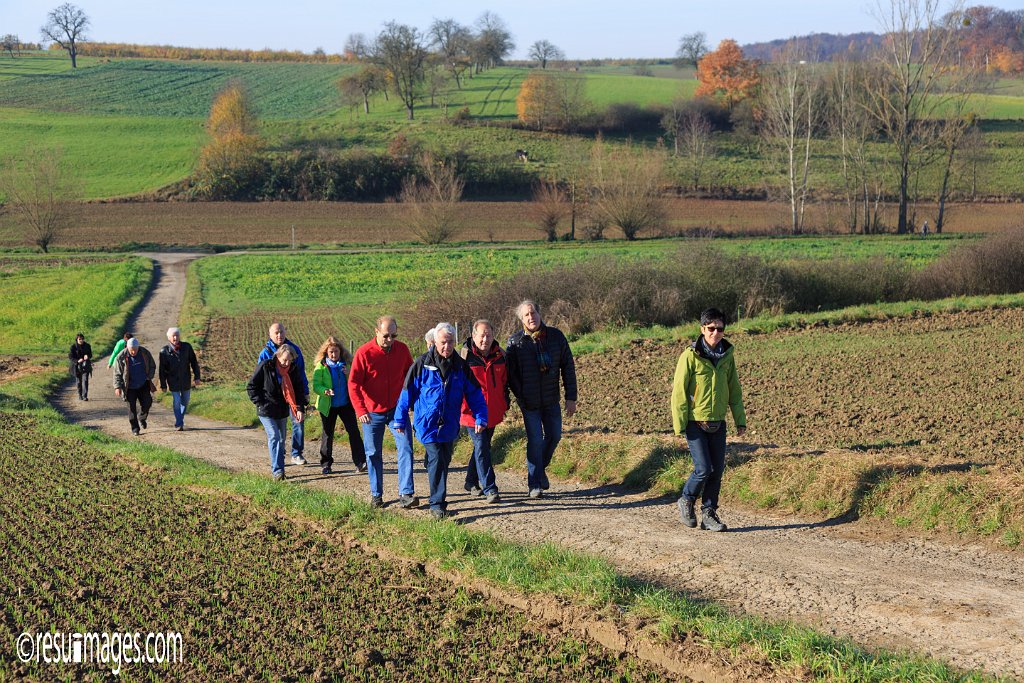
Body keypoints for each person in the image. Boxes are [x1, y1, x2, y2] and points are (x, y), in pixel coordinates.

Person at [395, 323, 487, 520]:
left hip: (449, 424)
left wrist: (481, 416)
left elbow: (475, 394)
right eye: (443, 342)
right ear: (434, 342)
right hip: (426, 424)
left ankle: (432, 470)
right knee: (437, 458)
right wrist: (399, 420)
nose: (447, 346)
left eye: (451, 342)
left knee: (443, 460)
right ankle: (437, 504)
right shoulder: (421, 364)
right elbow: (406, 394)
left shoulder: (461, 366)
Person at [670, 308, 747, 532]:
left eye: (720, 329)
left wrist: (740, 420)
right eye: (711, 328)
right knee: (703, 468)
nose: (715, 332)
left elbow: (734, 389)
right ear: (702, 329)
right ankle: (686, 499)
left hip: (718, 422)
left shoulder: (727, 356)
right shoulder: (689, 356)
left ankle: (709, 514)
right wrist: (679, 424)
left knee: (717, 471)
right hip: (695, 423)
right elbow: (679, 392)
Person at [505, 300, 577, 499]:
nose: (531, 317)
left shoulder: (556, 337)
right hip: (529, 403)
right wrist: (520, 396)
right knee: (535, 440)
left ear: (539, 313)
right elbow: (511, 376)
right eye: (526, 315)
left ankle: (540, 469)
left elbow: (568, 367)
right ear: (522, 319)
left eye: (533, 313)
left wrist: (571, 397)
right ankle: (534, 483)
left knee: (554, 436)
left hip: (551, 399)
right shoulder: (515, 342)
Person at [349, 315, 417, 509]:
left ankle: (406, 493)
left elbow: (409, 375)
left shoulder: (402, 350)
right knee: (372, 453)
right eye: (386, 335)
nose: (390, 340)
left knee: (405, 447)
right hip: (371, 413)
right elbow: (353, 384)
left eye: (394, 335)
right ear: (377, 332)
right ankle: (376, 495)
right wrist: (361, 409)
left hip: (397, 411)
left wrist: (410, 400)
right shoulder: (364, 353)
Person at [459, 319, 509, 504]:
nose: (485, 339)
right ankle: (490, 488)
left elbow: (504, 383)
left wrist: (503, 405)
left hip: (492, 412)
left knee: (482, 447)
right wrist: (465, 408)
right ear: (474, 336)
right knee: (482, 448)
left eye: (488, 335)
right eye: (482, 335)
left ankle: (470, 481)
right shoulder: (464, 357)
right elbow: (459, 387)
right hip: (472, 414)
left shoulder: (501, 356)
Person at [247, 344, 307, 481]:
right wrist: (260, 402)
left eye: (289, 360)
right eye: (284, 360)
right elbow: (252, 386)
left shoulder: (293, 370)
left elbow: (299, 390)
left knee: (281, 439)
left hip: (282, 411)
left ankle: (280, 469)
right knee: (274, 436)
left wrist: (300, 409)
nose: (286, 363)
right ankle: (277, 472)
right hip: (266, 410)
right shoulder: (265, 366)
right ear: (277, 356)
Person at [311, 336, 366, 475]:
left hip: (346, 404)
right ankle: (326, 464)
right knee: (328, 434)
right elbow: (316, 386)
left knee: (354, 432)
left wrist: (350, 374)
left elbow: (356, 382)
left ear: (341, 352)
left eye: (336, 352)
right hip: (328, 405)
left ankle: (360, 462)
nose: (334, 355)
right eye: (331, 352)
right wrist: (325, 391)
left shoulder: (347, 365)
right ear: (326, 353)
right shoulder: (321, 367)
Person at [258, 322, 308, 465]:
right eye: (276, 333)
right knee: (278, 431)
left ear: (285, 332)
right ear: (270, 334)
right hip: (275, 398)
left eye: (281, 332)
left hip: (292, 393)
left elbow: (301, 373)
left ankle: (297, 453)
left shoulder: (294, 350)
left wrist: (305, 392)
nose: (279, 335)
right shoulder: (265, 353)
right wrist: (262, 399)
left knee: (298, 421)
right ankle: (280, 454)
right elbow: (259, 378)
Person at [159, 327, 201, 431]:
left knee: (185, 401)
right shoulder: (164, 351)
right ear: (169, 338)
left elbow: (194, 363)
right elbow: (162, 370)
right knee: (177, 400)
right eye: (173, 336)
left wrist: (197, 377)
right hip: (173, 381)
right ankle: (179, 422)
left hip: (186, 379)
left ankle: (180, 419)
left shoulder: (187, 347)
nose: (175, 337)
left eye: (177, 335)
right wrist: (163, 385)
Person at [113, 337, 156, 436]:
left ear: (138, 347)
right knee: (131, 409)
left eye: (135, 350)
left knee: (148, 402)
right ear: (127, 348)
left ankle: (142, 417)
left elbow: (152, 366)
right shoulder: (121, 357)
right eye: (131, 350)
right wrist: (117, 386)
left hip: (143, 384)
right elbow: (117, 373)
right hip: (129, 387)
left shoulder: (145, 353)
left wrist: (149, 377)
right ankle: (135, 429)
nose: (133, 352)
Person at [69, 333, 93, 401]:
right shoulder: (73, 347)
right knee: (79, 381)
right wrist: (77, 361)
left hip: (86, 365)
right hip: (76, 366)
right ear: (77, 339)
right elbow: (70, 357)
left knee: (85, 380)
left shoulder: (87, 346)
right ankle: (80, 395)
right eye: (80, 339)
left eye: (82, 339)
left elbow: (90, 354)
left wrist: (88, 356)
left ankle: (85, 396)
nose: (81, 340)